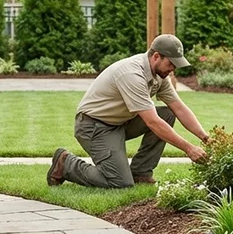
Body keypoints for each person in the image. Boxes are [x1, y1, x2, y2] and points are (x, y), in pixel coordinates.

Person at [48, 34, 209, 188]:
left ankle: (140, 173)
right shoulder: (132, 74)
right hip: (94, 126)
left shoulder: (160, 76)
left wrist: (206, 138)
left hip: (119, 123)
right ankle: (65, 163)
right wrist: (189, 148)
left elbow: (179, 108)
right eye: (171, 64)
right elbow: (152, 122)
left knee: (167, 114)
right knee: (119, 182)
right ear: (156, 57)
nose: (173, 69)